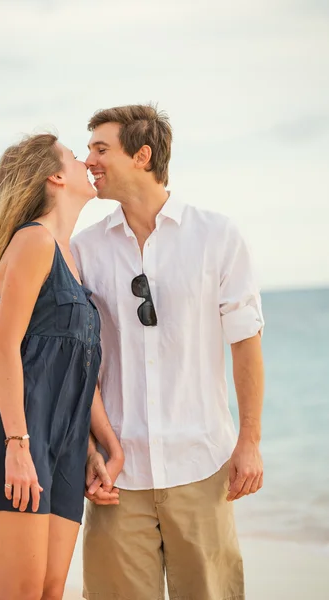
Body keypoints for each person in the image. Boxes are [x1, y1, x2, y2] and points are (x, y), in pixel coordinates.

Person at [71, 105, 265, 600]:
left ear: (142, 155)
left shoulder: (216, 235)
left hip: (202, 464)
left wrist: (249, 441)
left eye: (100, 148)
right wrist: (92, 449)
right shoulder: (85, 249)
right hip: (119, 475)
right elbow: (81, 361)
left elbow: (245, 343)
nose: (87, 159)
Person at [0, 133, 123, 600]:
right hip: (19, 437)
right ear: (55, 175)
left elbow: (77, 367)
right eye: (74, 155)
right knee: (23, 592)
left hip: (65, 446)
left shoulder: (71, 255)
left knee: (50, 591)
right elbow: (4, 349)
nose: (86, 161)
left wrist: (102, 447)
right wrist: (17, 444)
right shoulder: (34, 241)